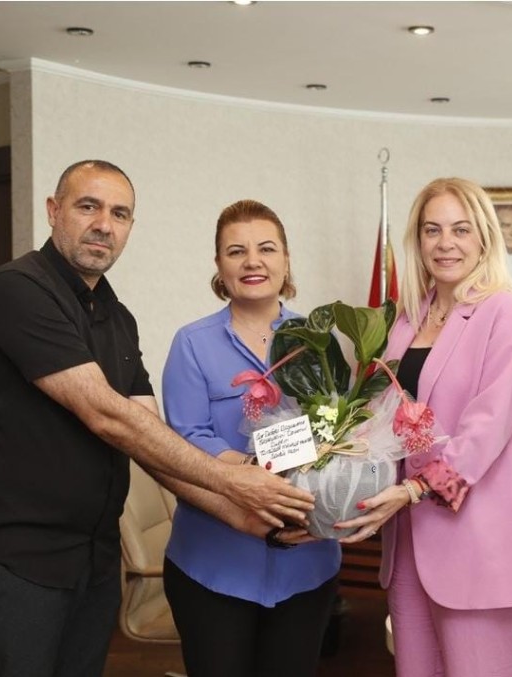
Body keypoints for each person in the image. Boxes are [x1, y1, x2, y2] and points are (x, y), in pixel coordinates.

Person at [0, 161, 314, 677]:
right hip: (17, 562)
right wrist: (234, 480)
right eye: (88, 207)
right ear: (53, 210)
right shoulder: (17, 288)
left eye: (119, 214)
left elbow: (149, 440)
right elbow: (106, 415)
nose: (104, 224)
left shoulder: (116, 317)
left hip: (93, 563)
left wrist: (241, 518)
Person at [338, 178, 512, 676]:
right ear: (418, 239)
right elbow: (380, 416)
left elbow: (486, 429)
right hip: (407, 543)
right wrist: (331, 467)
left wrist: (415, 488)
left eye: (460, 229)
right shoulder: (406, 320)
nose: (445, 243)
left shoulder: (505, 313)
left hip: (477, 542)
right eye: (432, 230)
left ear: (484, 237)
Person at [161, 199, 341, 677]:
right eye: (236, 251)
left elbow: (339, 428)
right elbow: (185, 439)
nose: (252, 261)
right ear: (219, 266)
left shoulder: (318, 341)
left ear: (286, 259)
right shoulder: (192, 343)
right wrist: (254, 474)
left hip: (308, 563)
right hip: (213, 564)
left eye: (266, 248)